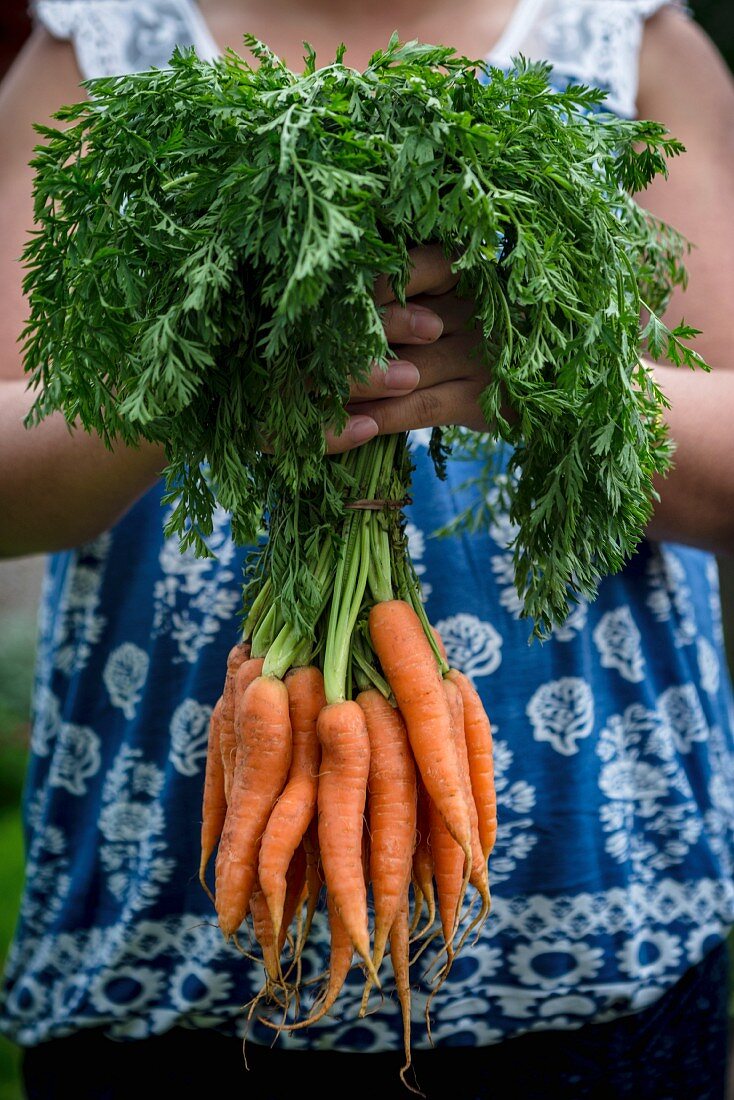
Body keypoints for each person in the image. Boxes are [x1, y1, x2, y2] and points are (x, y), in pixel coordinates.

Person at [1, 0, 734, 1097]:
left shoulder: (628, 38)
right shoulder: (99, 43)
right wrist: (187, 378)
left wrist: (544, 374)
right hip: (161, 943)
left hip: (601, 916)